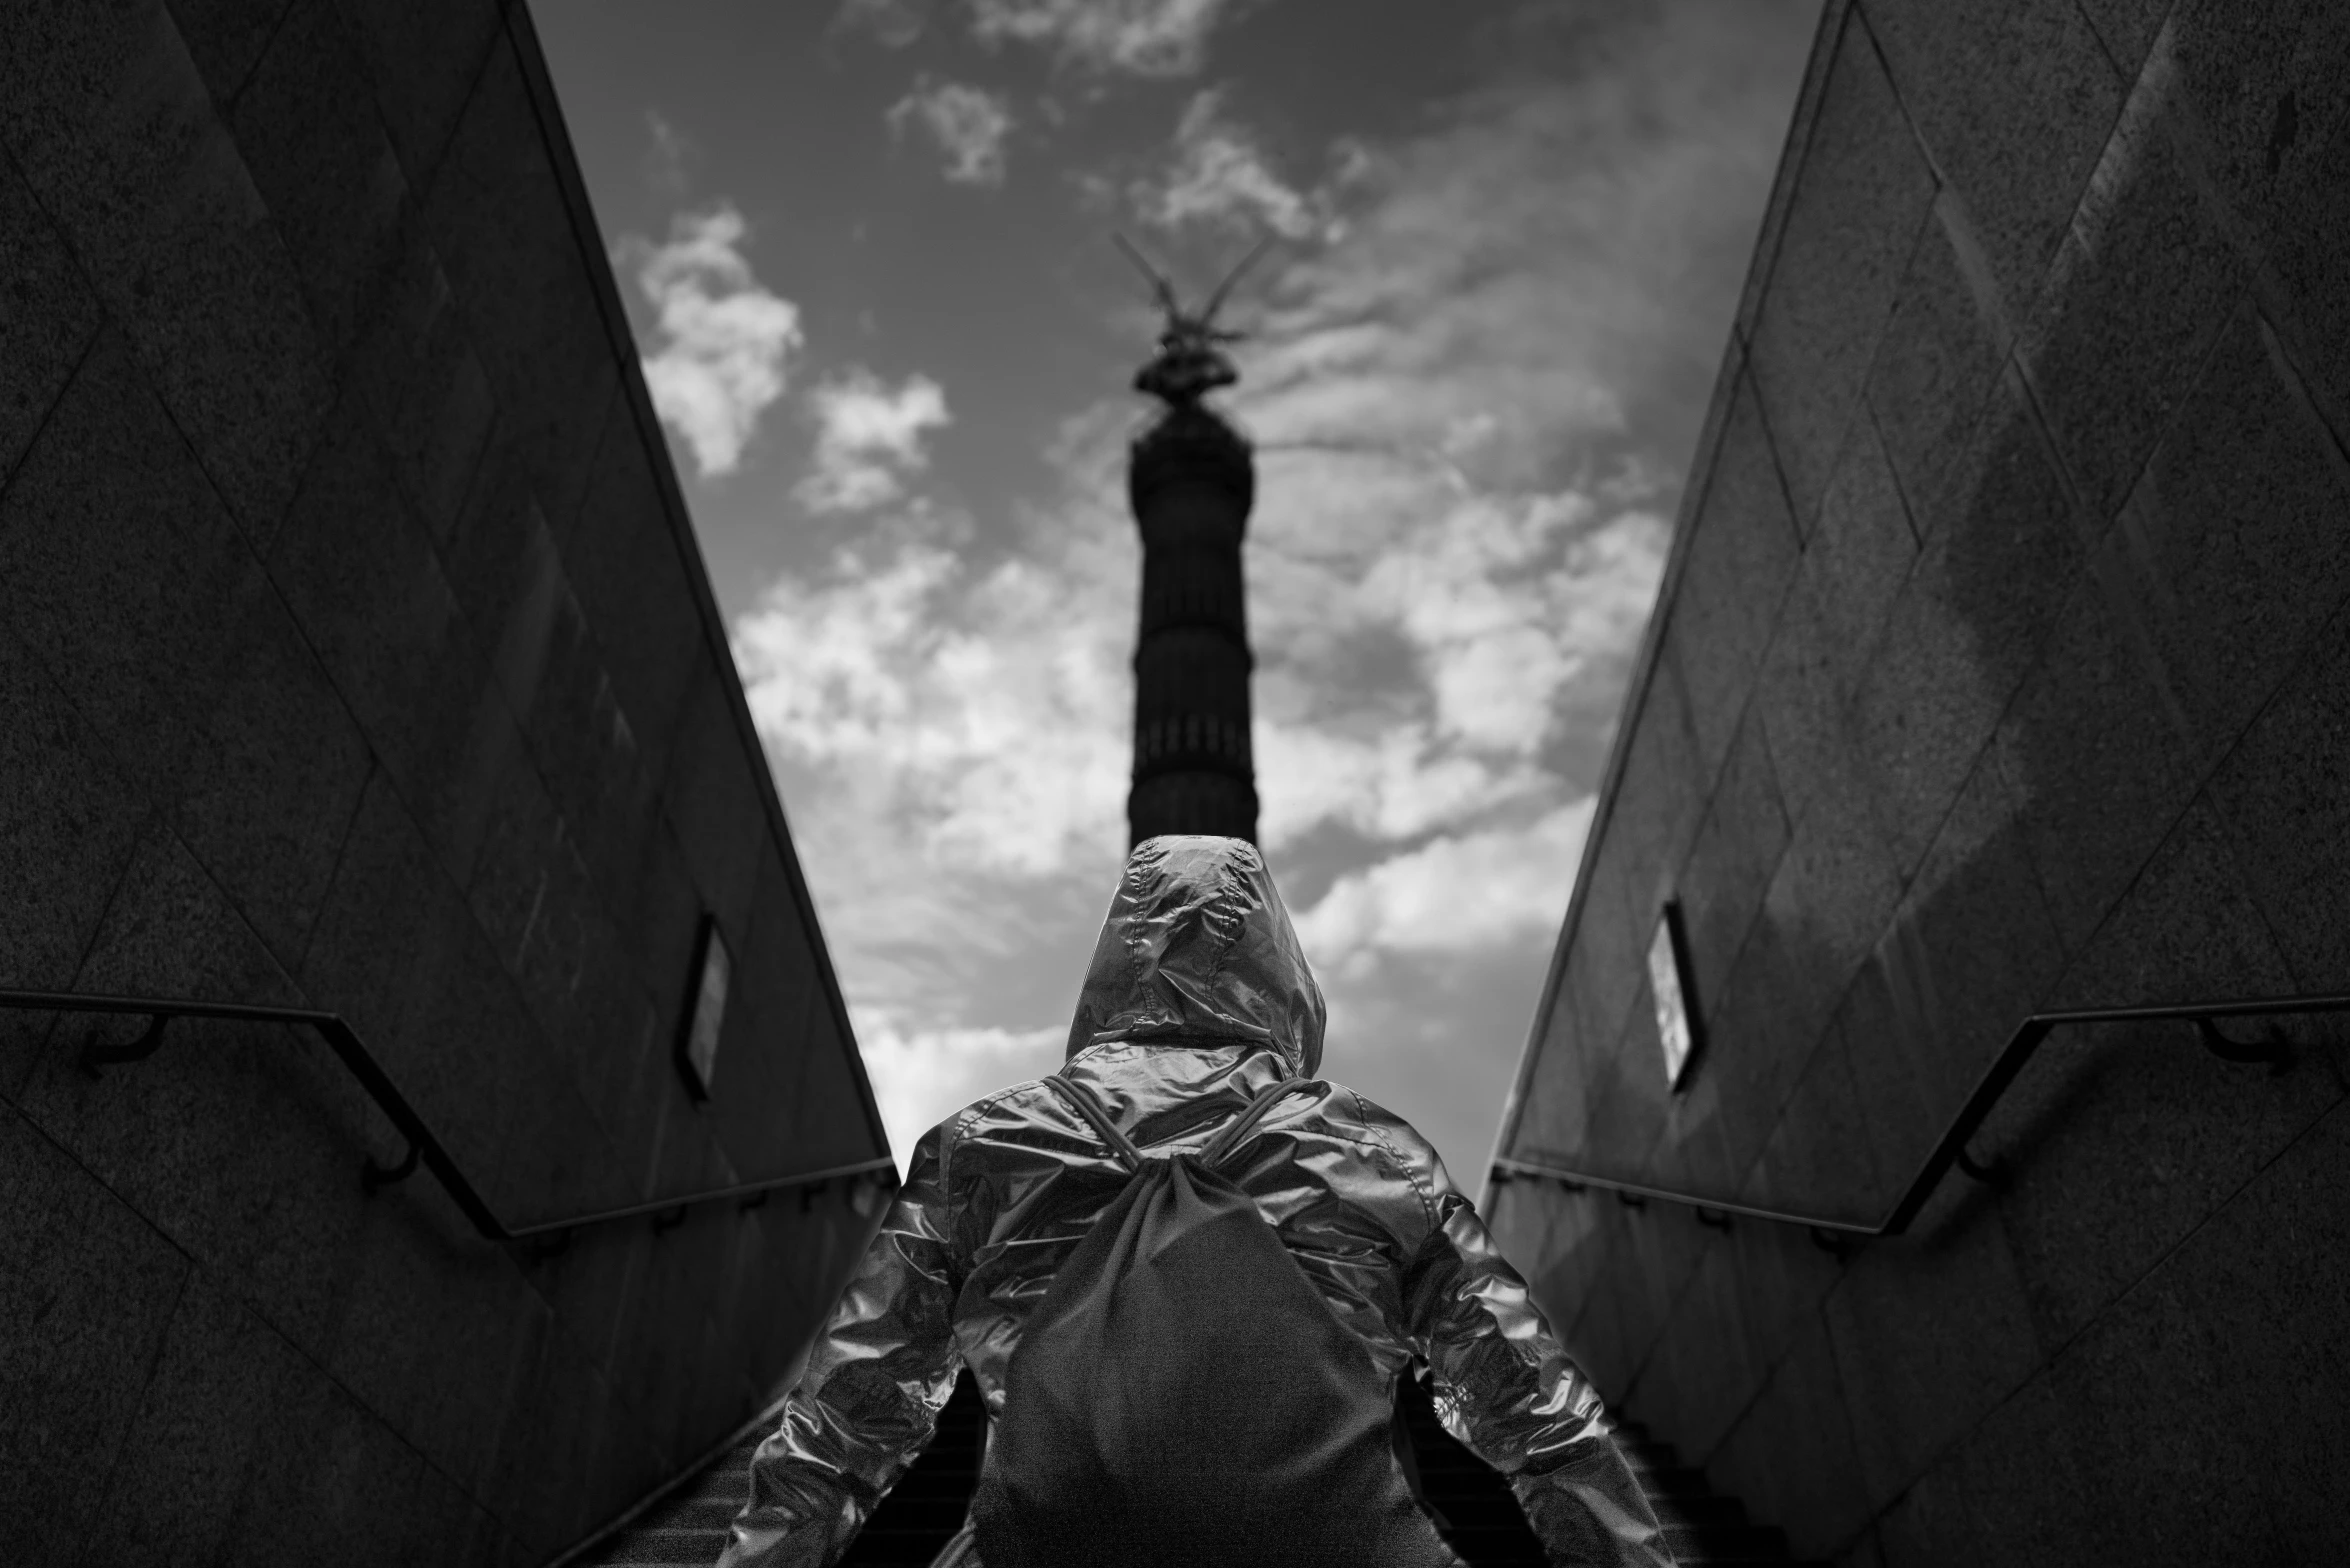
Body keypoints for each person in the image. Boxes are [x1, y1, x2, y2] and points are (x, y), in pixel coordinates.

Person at [719, 835, 1670, 1567]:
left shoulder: (985, 1147)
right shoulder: (1367, 1150)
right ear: (1280, 965)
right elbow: (1540, 1414)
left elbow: (841, 1421)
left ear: (1113, 961)